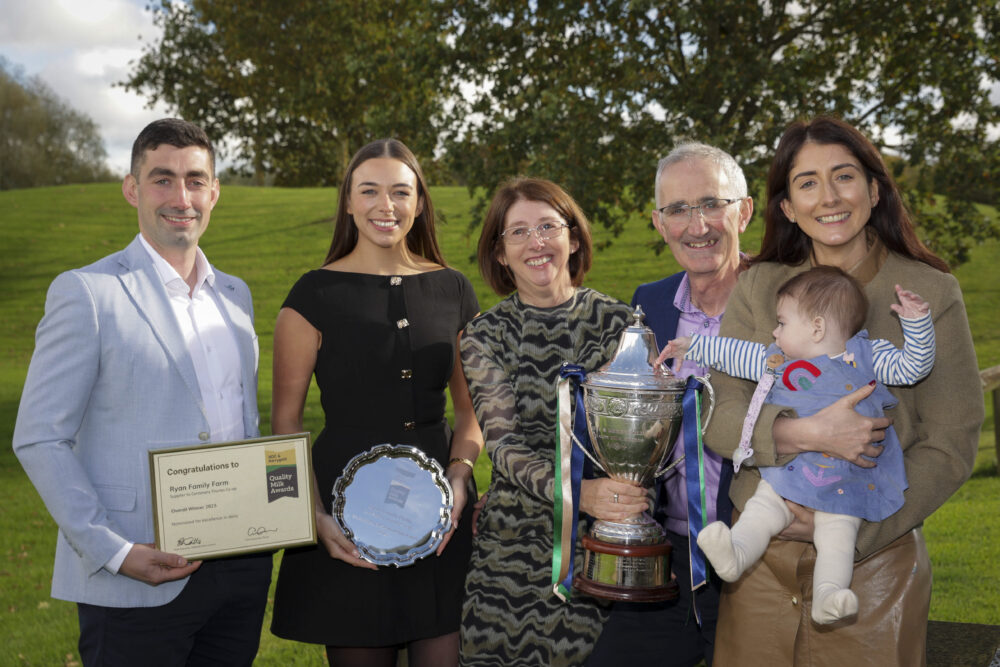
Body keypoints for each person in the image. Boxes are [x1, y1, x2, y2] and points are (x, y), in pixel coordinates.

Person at [705, 116, 981, 665]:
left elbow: (951, 441)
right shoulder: (759, 285)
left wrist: (858, 528)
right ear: (787, 206)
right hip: (758, 562)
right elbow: (720, 408)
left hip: (872, 572)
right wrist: (797, 432)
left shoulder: (929, 292)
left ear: (874, 190)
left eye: (844, 177)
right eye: (807, 182)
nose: (828, 197)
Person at [13, 118, 272, 665]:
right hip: (138, 571)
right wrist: (115, 552)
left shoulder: (235, 295)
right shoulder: (88, 293)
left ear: (215, 192)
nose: (182, 196)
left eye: (196, 180)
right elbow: (39, 438)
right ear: (132, 188)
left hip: (237, 570)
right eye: (163, 179)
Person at [268, 138, 483, 667]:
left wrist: (459, 475)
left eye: (400, 192)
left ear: (419, 203)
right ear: (347, 201)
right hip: (345, 522)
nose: (385, 206)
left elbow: (470, 413)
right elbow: (284, 426)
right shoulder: (312, 295)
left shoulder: (453, 289)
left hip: (441, 519)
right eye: (369, 191)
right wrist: (311, 515)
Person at [662, 266, 934, 624]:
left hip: (847, 480)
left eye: (782, 323)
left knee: (838, 532)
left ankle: (829, 594)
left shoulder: (868, 356)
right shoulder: (779, 360)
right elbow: (736, 353)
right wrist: (696, 345)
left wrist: (917, 324)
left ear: (816, 327)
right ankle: (736, 555)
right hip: (788, 471)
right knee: (764, 506)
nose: (775, 332)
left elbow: (912, 367)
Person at [458, 178, 646, 666]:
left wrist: (608, 500)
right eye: (517, 232)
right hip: (511, 548)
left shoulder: (620, 324)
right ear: (500, 254)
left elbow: (640, 436)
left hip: (601, 542)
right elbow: (503, 445)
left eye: (548, 226)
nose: (535, 242)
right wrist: (578, 492)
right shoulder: (484, 335)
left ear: (575, 238)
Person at [588, 142, 752, 667]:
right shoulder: (650, 303)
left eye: (711, 203)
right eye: (678, 209)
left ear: (743, 211)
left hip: (757, 555)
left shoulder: (787, 300)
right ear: (659, 224)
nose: (696, 225)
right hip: (669, 553)